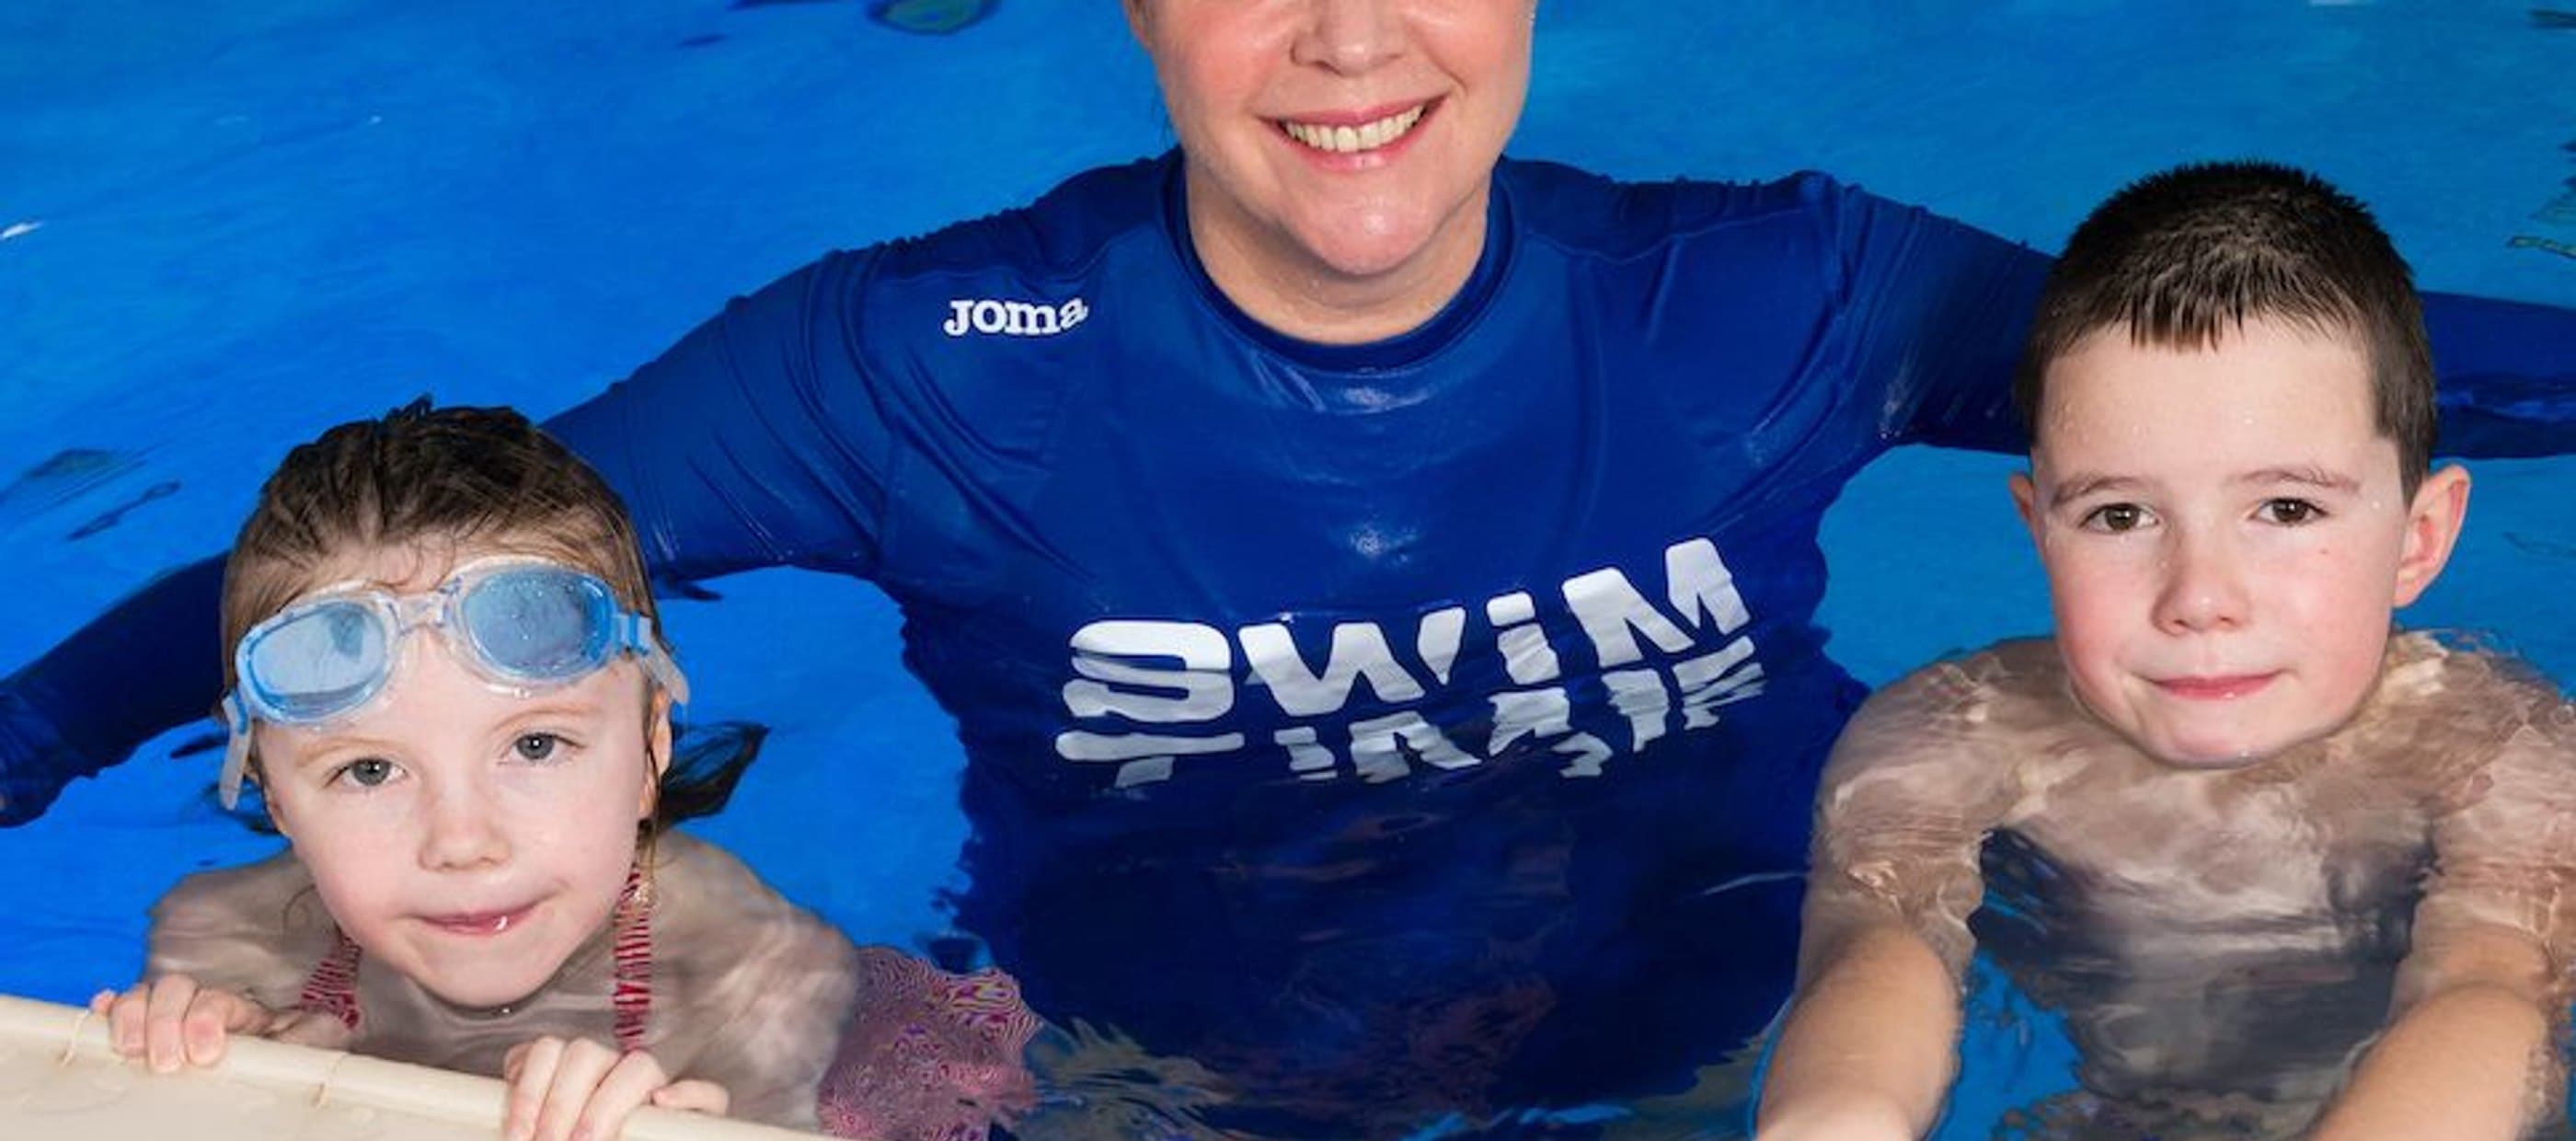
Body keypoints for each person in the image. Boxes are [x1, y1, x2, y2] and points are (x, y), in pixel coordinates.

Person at [7, 2, 2575, 1130]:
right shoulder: (925, 363)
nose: (1351, 43)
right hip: (1165, 1095)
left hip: (1729, 1060)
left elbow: (2305, 384)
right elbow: (385, 576)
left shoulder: (1770, 298)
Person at [1755, 162, 2576, 1141]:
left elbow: (2491, 986)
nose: (2199, 598)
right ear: (2038, 531)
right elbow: (1878, 943)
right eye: (2119, 515)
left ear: (2418, 538)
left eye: (2286, 509)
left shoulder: (2493, 744)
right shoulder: (1958, 731)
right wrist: (1835, 1121)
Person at [86, 404, 1039, 1141]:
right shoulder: (221, 936)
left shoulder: (749, 962)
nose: (463, 841)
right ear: (274, 794)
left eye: (536, 746)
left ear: (650, 752)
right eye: (369, 769)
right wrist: (211, 1074)